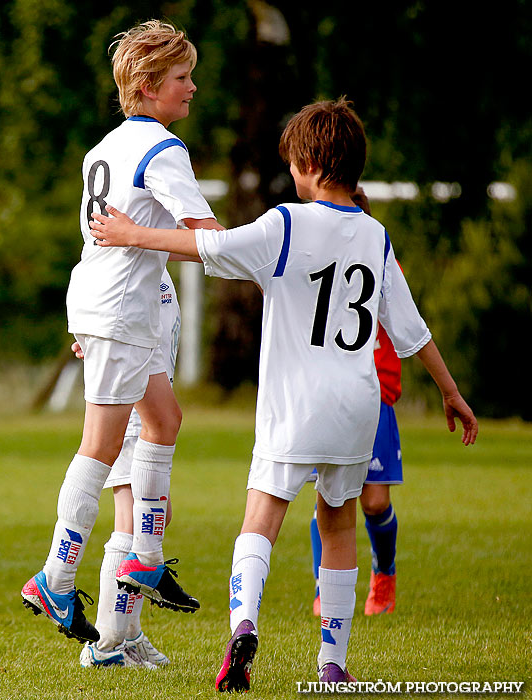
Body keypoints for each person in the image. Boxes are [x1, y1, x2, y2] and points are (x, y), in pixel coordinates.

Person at [88, 97, 478, 690]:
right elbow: (411, 329)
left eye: (294, 163)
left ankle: (243, 627)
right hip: (357, 407)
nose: (291, 175)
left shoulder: (287, 223)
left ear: (314, 165)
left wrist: (130, 233)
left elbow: (212, 250)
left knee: (261, 521)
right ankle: (332, 662)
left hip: (294, 405)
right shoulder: (375, 235)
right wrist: (451, 391)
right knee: (339, 525)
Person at [20, 20, 223, 643]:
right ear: (147, 85)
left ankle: (146, 557)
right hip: (121, 311)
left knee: (163, 422)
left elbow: (101, 239)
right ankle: (55, 577)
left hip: (108, 304)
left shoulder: (103, 148)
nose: (193, 88)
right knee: (102, 444)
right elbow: (206, 238)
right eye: (183, 78)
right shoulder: (163, 150)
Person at [74, 268, 180, 668]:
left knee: (156, 519)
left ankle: (128, 633)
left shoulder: (154, 267)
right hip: (132, 409)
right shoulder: (132, 264)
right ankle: (105, 644)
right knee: (133, 521)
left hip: (146, 407)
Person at [310, 188, 403, 617]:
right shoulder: (316, 268)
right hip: (329, 396)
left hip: (375, 396)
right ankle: (322, 586)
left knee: (374, 502)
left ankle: (384, 573)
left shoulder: (381, 261)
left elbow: (406, 327)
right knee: (328, 497)